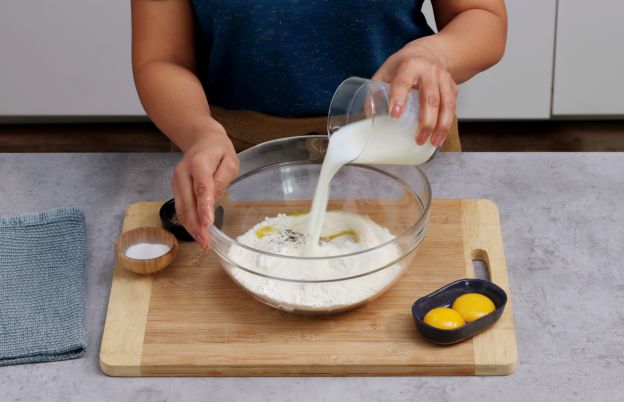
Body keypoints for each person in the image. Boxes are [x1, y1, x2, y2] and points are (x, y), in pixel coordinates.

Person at [131, 0, 507, 250]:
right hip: (229, 158)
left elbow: (482, 15)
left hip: (399, 136)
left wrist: (432, 54)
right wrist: (200, 132)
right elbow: (162, 57)